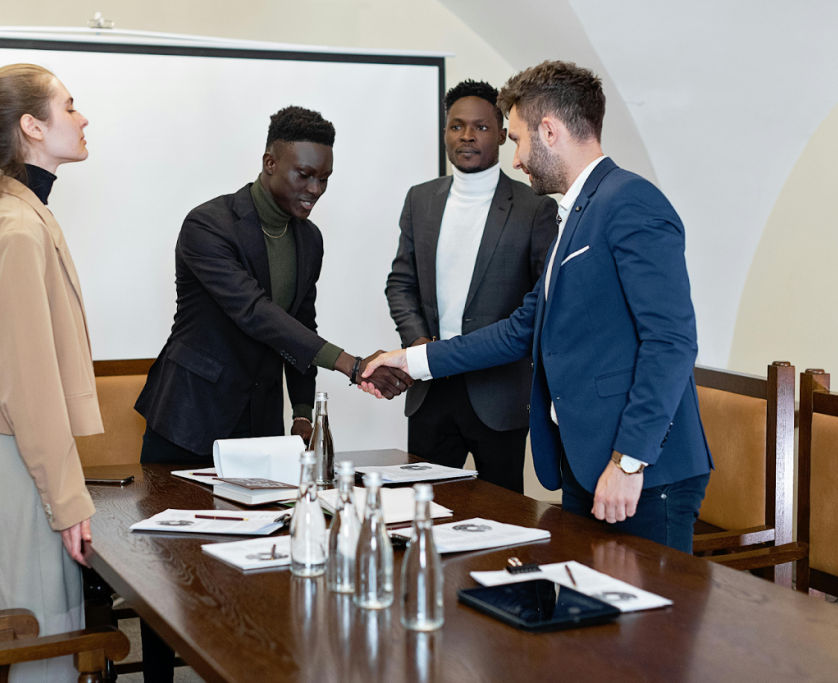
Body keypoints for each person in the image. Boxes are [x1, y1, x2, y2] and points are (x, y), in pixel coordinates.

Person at [363, 61, 713, 554]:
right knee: (588, 622)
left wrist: (630, 461)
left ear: (549, 131)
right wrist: (411, 361)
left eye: (519, 141)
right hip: (587, 460)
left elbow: (671, 342)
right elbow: (519, 329)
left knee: (646, 629)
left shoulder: (630, 201)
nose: (517, 159)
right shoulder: (574, 212)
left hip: (641, 472)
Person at [133, 105, 411, 682]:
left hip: (257, 424)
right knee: (167, 570)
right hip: (186, 415)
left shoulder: (308, 239)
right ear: (269, 162)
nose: (315, 189)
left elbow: (298, 324)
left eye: (325, 179)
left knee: (251, 563)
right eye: (304, 175)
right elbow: (255, 314)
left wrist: (304, 412)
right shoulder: (208, 223)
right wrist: (353, 364)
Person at [0, 64, 99, 682]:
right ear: (33, 126)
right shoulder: (16, 226)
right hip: (10, 466)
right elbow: (28, 386)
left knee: (46, 655)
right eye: (70, 105)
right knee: (45, 664)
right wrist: (66, 501)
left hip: (7, 460)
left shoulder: (23, 213)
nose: (83, 118)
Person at [386, 79, 557, 493]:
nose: (466, 136)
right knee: (417, 512)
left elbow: (544, 300)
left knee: (501, 515)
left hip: (498, 395)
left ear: (501, 134)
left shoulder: (535, 206)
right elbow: (400, 283)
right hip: (430, 391)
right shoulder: (420, 199)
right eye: (456, 126)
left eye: (480, 127)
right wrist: (421, 345)